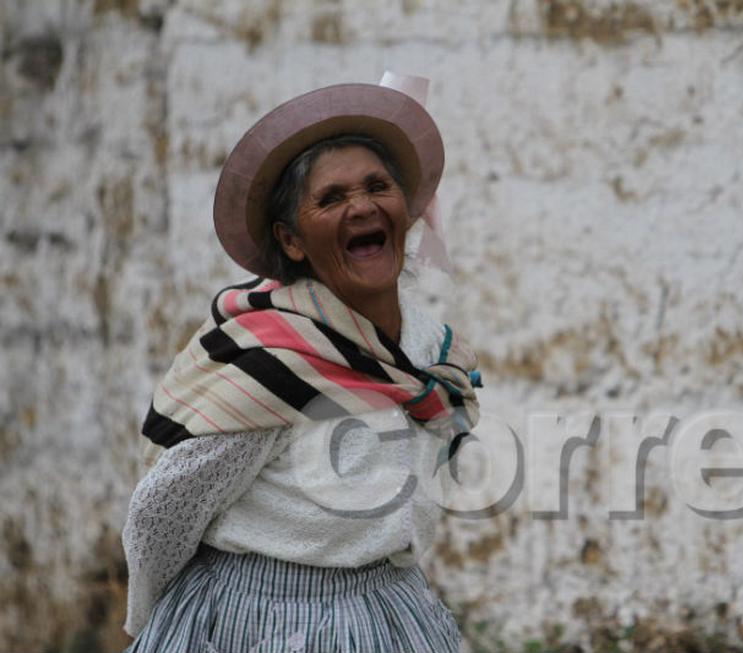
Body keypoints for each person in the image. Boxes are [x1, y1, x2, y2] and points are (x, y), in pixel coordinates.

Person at [122, 75, 481, 653]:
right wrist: (159, 623)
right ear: (291, 240)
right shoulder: (270, 360)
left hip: (391, 604)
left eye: (378, 186)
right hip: (260, 618)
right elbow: (163, 512)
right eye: (331, 198)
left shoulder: (431, 352)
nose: (362, 206)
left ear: (407, 211)